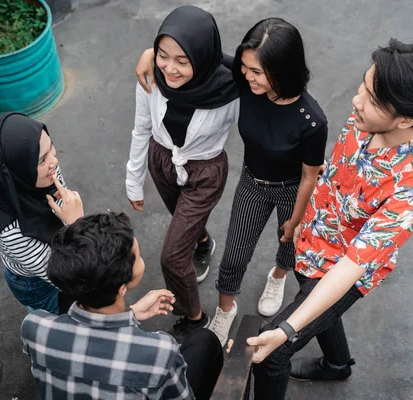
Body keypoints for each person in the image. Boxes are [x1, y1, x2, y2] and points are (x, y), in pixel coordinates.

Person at [245, 38, 413, 399]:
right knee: (318, 308)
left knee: (272, 355)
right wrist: (297, 222)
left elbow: (352, 266)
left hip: (343, 269)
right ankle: (338, 365)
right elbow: (330, 176)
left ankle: (323, 359)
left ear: (405, 117)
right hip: (311, 239)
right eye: (364, 85)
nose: (357, 100)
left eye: (372, 99)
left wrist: (287, 331)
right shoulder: (364, 120)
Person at [135, 17, 327, 346]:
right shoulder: (244, 81)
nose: (247, 76)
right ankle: (226, 310)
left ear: (283, 69)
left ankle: (278, 276)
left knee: (289, 244)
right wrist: (148, 54)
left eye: (257, 72)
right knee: (235, 254)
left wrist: (296, 219)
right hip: (253, 183)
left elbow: (311, 175)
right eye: (246, 68)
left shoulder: (311, 120)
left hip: (294, 189)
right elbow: (197, 54)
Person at [126, 5, 239, 341]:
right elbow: (141, 127)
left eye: (182, 60)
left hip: (204, 173)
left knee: (173, 257)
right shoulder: (151, 76)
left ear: (202, 56)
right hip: (161, 161)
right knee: (182, 219)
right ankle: (203, 242)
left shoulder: (231, 91)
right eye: (162, 55)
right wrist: (134, 181)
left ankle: (194, 317)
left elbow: (268, 98)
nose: (169, 69)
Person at [21, 212, 225, 400]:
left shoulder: (34, 326)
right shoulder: (159, 353)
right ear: (121, 288)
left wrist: (131, 313)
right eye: (137, 256)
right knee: (205, 340)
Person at [0, 113, 84, 314]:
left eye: (51, 147)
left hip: (59, 257)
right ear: (14, 174)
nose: (54, 161)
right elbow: (67, 275)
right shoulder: (13, 232)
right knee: (60, 321)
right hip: (39, 284)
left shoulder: (43, 173)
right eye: (42, 159)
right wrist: (78, 225)